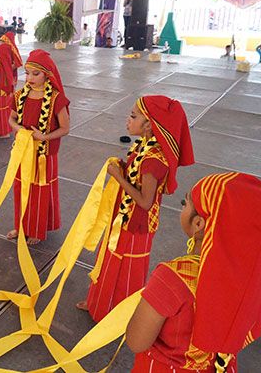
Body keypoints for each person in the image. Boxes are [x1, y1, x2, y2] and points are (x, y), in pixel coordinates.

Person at [126, 173, 261, 372]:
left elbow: (136, 341)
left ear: (199, 224)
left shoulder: (172, 278)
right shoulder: (247, 278)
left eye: (185, 203)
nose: (182, 207)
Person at [77, 95, 195, 322]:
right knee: (110, 259)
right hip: (124, 215)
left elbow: (144, 201)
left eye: (133, 116)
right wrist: (123, 168)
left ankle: (118, 316)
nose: (127, 121)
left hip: (136, 224)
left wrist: (118, 177)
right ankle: (98, 303)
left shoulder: (153, 161)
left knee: (126, 269)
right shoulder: (143, 146)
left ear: (150, 124)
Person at [6, 49, 70, 246]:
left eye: (36, 73)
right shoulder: (19, 96)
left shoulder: (55, 99)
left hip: (44, 155)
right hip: (24, 152)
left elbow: (65, 128)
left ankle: (36, 229)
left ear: (47, 75)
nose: (30, 78)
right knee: (20, 187)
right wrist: (20, 130)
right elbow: (11, 119)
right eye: (27, 73)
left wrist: (44, 137)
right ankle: (21, 225)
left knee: (39, 191)